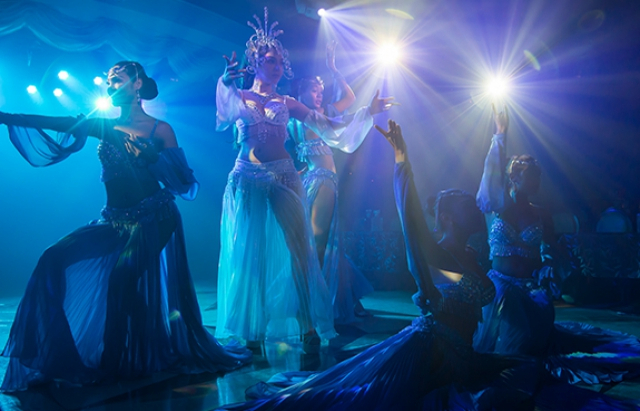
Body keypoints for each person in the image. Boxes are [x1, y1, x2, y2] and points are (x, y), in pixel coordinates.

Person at [0, 61, 252, 392]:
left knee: (122, 280)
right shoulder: (103, 125)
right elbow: (54, 122)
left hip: (155, 217)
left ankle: (114, 361)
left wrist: (153, 159)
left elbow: (184, 184)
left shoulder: (160, 129)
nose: (109, 86)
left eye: (116, 79)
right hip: (114, 221)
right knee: (53, 257)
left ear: (137, 84)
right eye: (107, 81)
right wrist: (6, 117)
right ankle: (64, 353)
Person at [215, 8, 393, 350]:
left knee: (300, 249)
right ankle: (252, 330)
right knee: (251, 253)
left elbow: (328, 127)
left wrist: (368, 112)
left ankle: (308, 324)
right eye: (270, 60)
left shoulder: (288, 102)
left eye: (280, 61)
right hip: (247, 176)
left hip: (284, 175)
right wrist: (225, 81)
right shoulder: (240, 96)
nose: (277, 66)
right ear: (254, 62)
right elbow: (223, 114)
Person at [474, 104, 640, 385]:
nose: (537, 180)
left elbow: (551, 248)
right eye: (532, 175)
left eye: (538, 175)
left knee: (534, 336)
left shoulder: (541, 213)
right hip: (501, 287)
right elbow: (491, 173)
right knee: (512, 340)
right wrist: (500, 134)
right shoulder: (497, 206)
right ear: (514, 177)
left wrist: (551, 269)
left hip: (529, 288)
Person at [288, 41, 374, 324]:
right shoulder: (296, 119)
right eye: (313, 90)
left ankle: (338, 297)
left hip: (322, 180)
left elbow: (349, 97)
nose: (319, 94)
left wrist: (334, 69)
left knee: (329, 242)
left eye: (320, 90)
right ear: (300, 92)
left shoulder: (322, 113)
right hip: (320, 181)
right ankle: (314, 300)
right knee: (318, 242)